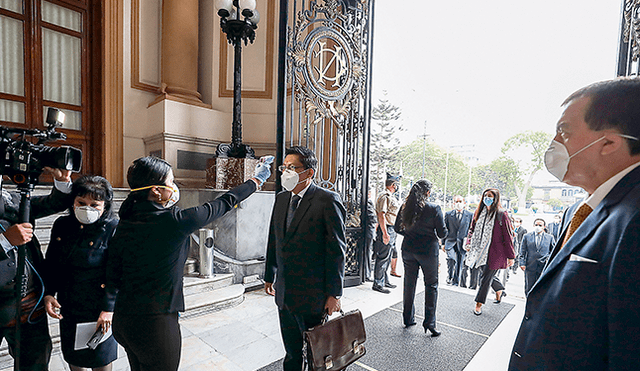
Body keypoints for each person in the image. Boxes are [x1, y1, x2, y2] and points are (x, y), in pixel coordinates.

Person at [510, 78, 640, 370]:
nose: (554, 143)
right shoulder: (577, 211)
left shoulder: (633, 220)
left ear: (608, 142)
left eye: (564, 132)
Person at [106, 155, 271, 371]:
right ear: (156, 191)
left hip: (124, 320)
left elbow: (112, 273)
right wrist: (256, 180)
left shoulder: (124, 223)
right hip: (155, 324)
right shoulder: (174, 222)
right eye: (171, 182)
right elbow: (225, 202)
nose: (174, 187)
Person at [264, 146, 345, 371]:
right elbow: (274, 238)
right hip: (285, 292)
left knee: (316, 355)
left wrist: (334, 294)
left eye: (292, 168)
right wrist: (269, 275)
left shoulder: (327, 201)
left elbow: (336, 251)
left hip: (313, 295)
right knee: (291, 353)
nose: (285, 172)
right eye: (284, 167)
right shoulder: (281, 199)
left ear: (309, 173)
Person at [0, 168, 73, 370]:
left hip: (28, 303)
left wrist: (61, 181)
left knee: (35, 364)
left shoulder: (11, 199)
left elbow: (53, 203)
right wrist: (4, 242)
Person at [43, 175, 119, 371]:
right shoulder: (62, 225)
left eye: (95, 204)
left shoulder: (113, 227)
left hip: (100, 306)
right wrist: (49, 292)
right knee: (74, 357)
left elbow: (117, 270)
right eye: (81, 202)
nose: (87, 208)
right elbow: (52, 262)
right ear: (73, 202)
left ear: (105, 206)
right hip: (70, 304)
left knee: (101, 360)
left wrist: (109, 309)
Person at [394, 180, 446, 336]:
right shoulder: (433, 208)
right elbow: (442, 233)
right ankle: (430, 322)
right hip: (428, 251)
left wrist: (410, 234)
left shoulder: (405, 206)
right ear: (428, 193)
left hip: (408, 249)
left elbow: (397, 228)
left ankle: (408, 318)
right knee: (431, 285)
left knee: (409, 284)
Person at [464, 188, 515, 315]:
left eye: (490, 196)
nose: (487, 198)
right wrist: (469, 242)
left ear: (495, 198)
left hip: (495, 253)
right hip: (479, 250)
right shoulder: (479, 211)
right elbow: (472, 229)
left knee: (485, 278)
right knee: (486, 275)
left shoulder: (501, 214)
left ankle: (478, 304)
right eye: (485, 195)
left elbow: (508, 236)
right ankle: (499, 290)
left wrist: (511, 256)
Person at [372, 174, 401, 293]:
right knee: (383, 256)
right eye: (397, 185)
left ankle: (384, 280)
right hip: (387, 228)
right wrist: (385, 233)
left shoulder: (389, 196)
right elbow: (381, 215)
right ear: (393, 185)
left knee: (388, 256)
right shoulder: (385, 196)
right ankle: (378, 283)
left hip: (391, 229)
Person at [518, 218, 554, 297]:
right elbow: (522, 251)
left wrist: (549, 262)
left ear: (544, 226)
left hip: (543, 266)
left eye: (540, 225)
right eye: (536, 225)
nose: (538, 226)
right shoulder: (527, 236)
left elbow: (553, 251)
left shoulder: (549, 237)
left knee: (541, 286)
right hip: (530, 265)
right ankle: (529, 302)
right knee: (529, 286)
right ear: (533, 225)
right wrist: (522, 263)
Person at [442, 195, 472, 287]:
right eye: (456, 202)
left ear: (464, 203)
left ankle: (455, 281)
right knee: (451, 259)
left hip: (462, 242)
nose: (458, 204)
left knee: (459, 262)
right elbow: (444, 229)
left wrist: (469, 243)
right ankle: (450, 276)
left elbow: (471, 230)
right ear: (453, 203)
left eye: (460, 201)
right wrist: (443, 243)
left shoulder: (469, 215)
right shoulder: (448, 214)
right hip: (450, 241)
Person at [363, 189, 377, 281]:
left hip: (366, 228)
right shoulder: (368, 201)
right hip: (368, 229)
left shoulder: (363, 200)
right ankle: (367, 274)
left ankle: (366, 273)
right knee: (368, 250)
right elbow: (372, 217)